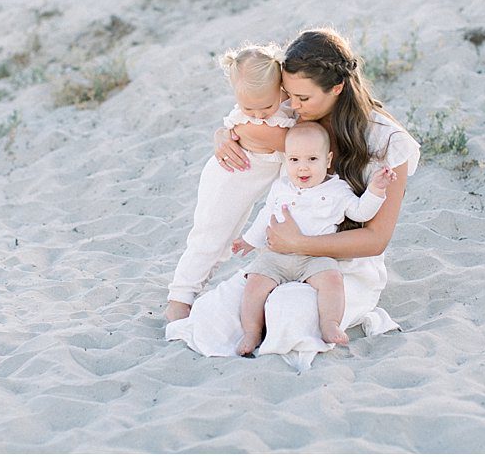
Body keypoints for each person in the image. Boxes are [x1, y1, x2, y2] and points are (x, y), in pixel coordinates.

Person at [166, 28, 421, 368]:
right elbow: (248, 120)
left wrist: (299, 243)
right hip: (282, 256)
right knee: (215, 316)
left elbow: (376, 239)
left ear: (337, 87)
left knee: (287, 316)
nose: (293, 106)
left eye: (302, 98)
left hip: (340, 264)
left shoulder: (388, 141)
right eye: (289, 95)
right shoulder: (293, 118)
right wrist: (226, 134)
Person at [232, 122, 397, 355]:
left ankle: (330, 323)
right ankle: (251, 331)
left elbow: (361, 212)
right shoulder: (281, 187)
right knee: (254, 284)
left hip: (316, 257)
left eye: (312, 159)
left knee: (332, 280)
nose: (303, 168)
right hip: (277, 256)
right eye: (294, 160)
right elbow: (265, 215)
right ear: (286, 160)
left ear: (328, 160)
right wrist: (249, 240)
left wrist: (376, 191)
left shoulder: (337, 190)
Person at [164, 43, 296, 322]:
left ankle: (193, 291)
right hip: (227, 178)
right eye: (248, 108)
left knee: (222, 244)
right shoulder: (260, 127)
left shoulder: (282, 104)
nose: (259, 115)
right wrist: (227, 130)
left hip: (248, 184)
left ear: (281, 89)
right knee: (209, 238)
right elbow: (296, 144)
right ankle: (179, 299)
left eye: (266, 106)